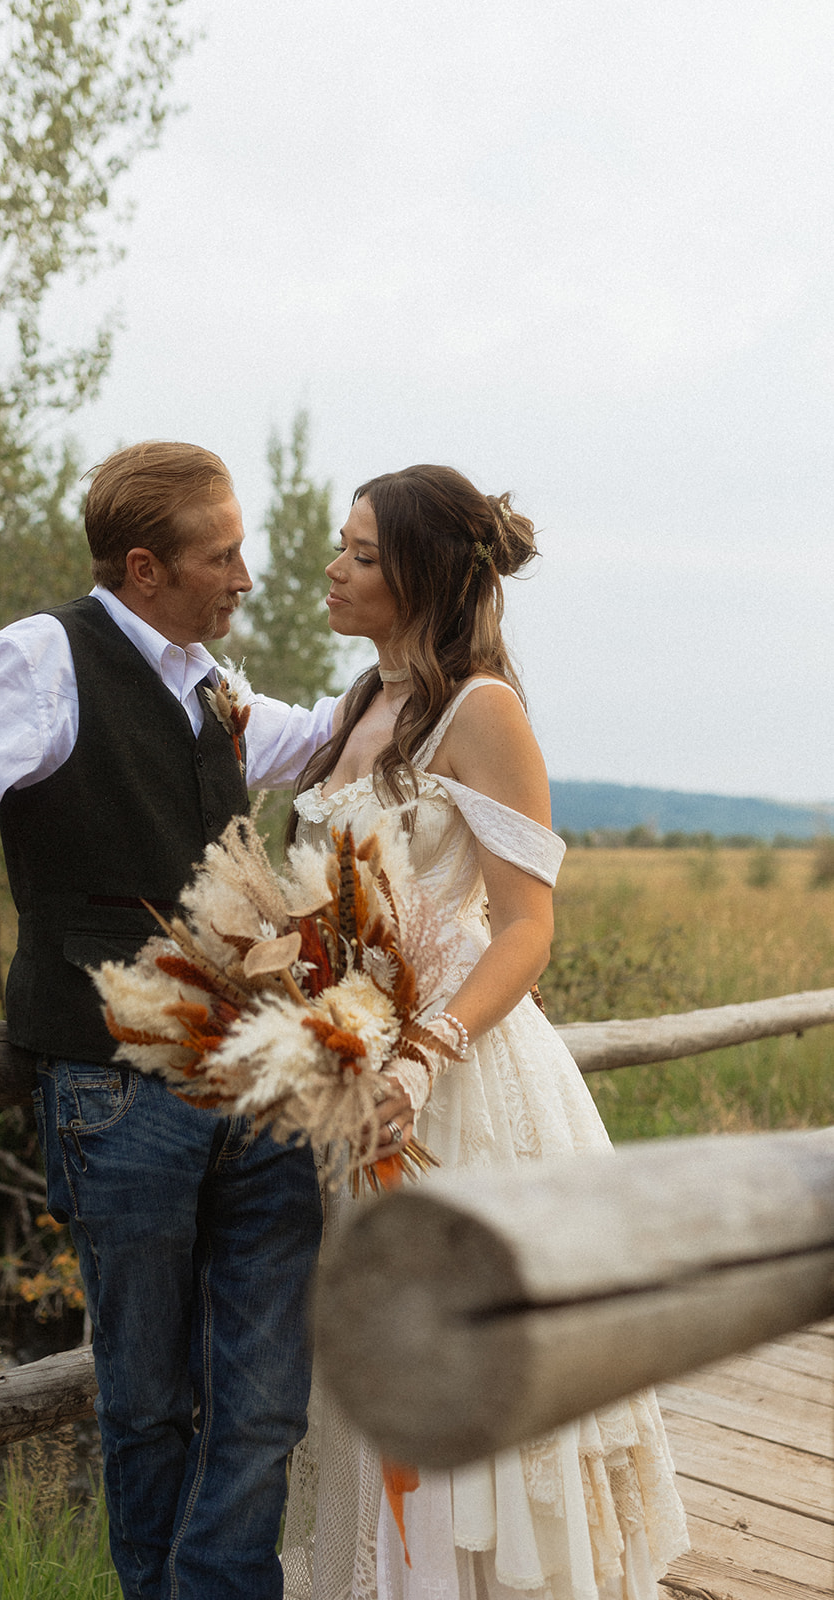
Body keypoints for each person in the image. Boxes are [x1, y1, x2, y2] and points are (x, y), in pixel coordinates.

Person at [0, 439, 409, 1600]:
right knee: (150, 1403)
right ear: (143, 566)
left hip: (257, 1084)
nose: (247, 576)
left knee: (265, 1399)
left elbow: (319, 738)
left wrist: (423, 647)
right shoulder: (40, 660)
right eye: (224, 556)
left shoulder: (210, 684)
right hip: (116, 1096)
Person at [279, 465, 689, 1600]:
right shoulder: (361, 705)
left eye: (360, 553)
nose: (334, 566)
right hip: (353, 1081)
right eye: (341, 545)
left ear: (414, 574)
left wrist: (422, 1053)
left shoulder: (481, 711)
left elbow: (524, 925)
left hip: (456, 1085)